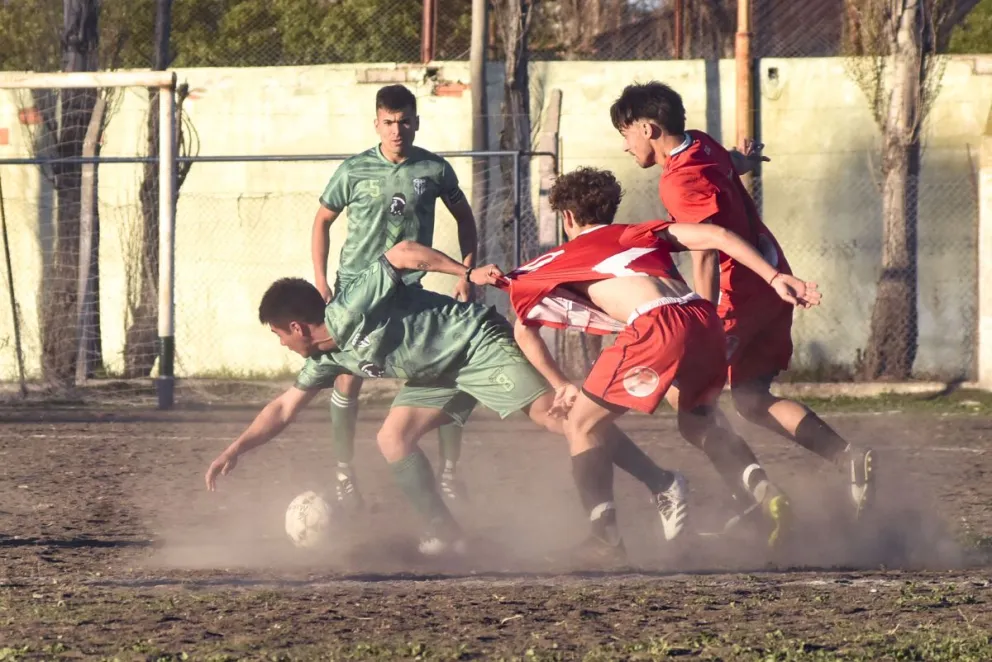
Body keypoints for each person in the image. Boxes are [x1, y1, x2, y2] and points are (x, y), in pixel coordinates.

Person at [206, 239, 688, 562]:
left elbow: (403, 253)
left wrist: (467, 271)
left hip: (474, 343)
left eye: (277, 335)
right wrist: (235, 450)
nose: (280, 344)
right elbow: (283, 408)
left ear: (296, 327)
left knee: (557, 420)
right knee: (392, 437)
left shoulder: (349, 307)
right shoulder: (326, 359)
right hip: (435, 374)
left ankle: (663, 482)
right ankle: (446, 534)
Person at [500, 167, 822, 550]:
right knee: (698, 422)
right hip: (703, 319)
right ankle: (764, 493)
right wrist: (774, 277)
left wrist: (560, 385)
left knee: (581, 425)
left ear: (567, 218)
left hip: (658, 323)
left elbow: (523, 328)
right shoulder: (633, 232)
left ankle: (605, 537)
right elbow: (717, 235)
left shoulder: (553, 259)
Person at [609, 81, 875, 520]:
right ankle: (848, 459)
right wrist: (744, 162)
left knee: (691, 405)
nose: (624, 144)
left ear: (649, 128)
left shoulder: (678, 182)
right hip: (771, 283)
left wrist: (703, 322)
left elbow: (708, 254)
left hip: (739, 295)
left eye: (625, 132)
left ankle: (757, 502)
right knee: (751, 397)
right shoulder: (701, 145)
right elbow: (727, 167)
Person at [311, 84, 479, 508]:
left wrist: (467, 272)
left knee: (441, 369)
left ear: (416, 122)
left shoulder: (435, 170)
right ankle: (344, 472)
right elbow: (321, 221)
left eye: (404, 121)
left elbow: (464, 217)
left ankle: (450, 473)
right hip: (355, 291)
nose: (397, 129)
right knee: (347, 376)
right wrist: (321, 280)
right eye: (388, 122)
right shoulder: (353, 170)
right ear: (376, 124)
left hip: (408, 291)